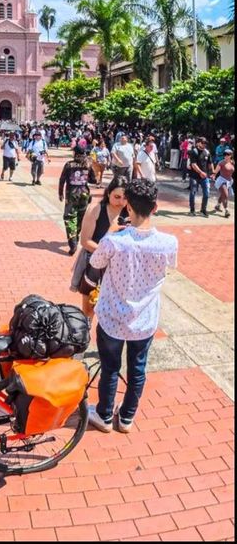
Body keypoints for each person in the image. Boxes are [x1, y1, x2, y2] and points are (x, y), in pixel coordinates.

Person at [87, 179, 178, 435]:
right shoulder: (168, 242)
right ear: (155, 207)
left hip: (112, 317)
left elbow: (95, 261)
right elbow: (171, 266)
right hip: (144, 319)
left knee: (110, 368)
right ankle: (126, 417)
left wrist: (110, 232)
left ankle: (104, 415)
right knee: (138, 369)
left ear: (128, 207)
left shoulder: (115, 241)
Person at [71, 176, 130, 320]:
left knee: (114, 310)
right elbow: (85, 241)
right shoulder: (96, 209)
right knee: (89, 309)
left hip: (118, 268)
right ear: (108, 193)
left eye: (125, 198)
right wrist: (107, 253)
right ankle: (86, 329)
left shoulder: (129, 212)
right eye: (117, 197)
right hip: (94, 264)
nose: (121, 202)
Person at [58, 146, 97, 254]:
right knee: (81, 217)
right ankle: (76, 236)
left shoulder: (69, 164)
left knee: (69, 217)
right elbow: (94, 180)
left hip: (72, 195)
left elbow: (62, 179)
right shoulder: (88, 164)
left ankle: (73, 241)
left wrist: (60, 193)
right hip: (84, 194)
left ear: (75, 153)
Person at [187, 137, 214, 217]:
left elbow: (210, 163)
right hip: (194, 176)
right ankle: (192, 210)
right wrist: (201, 172)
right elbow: (193, 164)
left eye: (205, 143)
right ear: (198, 143)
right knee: (193, 193)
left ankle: (203, 210)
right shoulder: (194, 152)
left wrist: (213, 173)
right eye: (202, 143)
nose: (204, 144)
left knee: (206, 193)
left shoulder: (207, 152)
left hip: (204, 177)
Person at [213, 149, 233, 218]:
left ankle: (217, 206)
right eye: (225, 154)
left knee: (223, 195)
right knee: (226, 195)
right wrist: (213, 175)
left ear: (231, 155)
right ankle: (226, 210)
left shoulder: (232, 162)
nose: (226, 156)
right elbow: (216, 171)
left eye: (228, 154)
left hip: (229, 181)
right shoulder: (221, 162)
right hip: (221, 181)